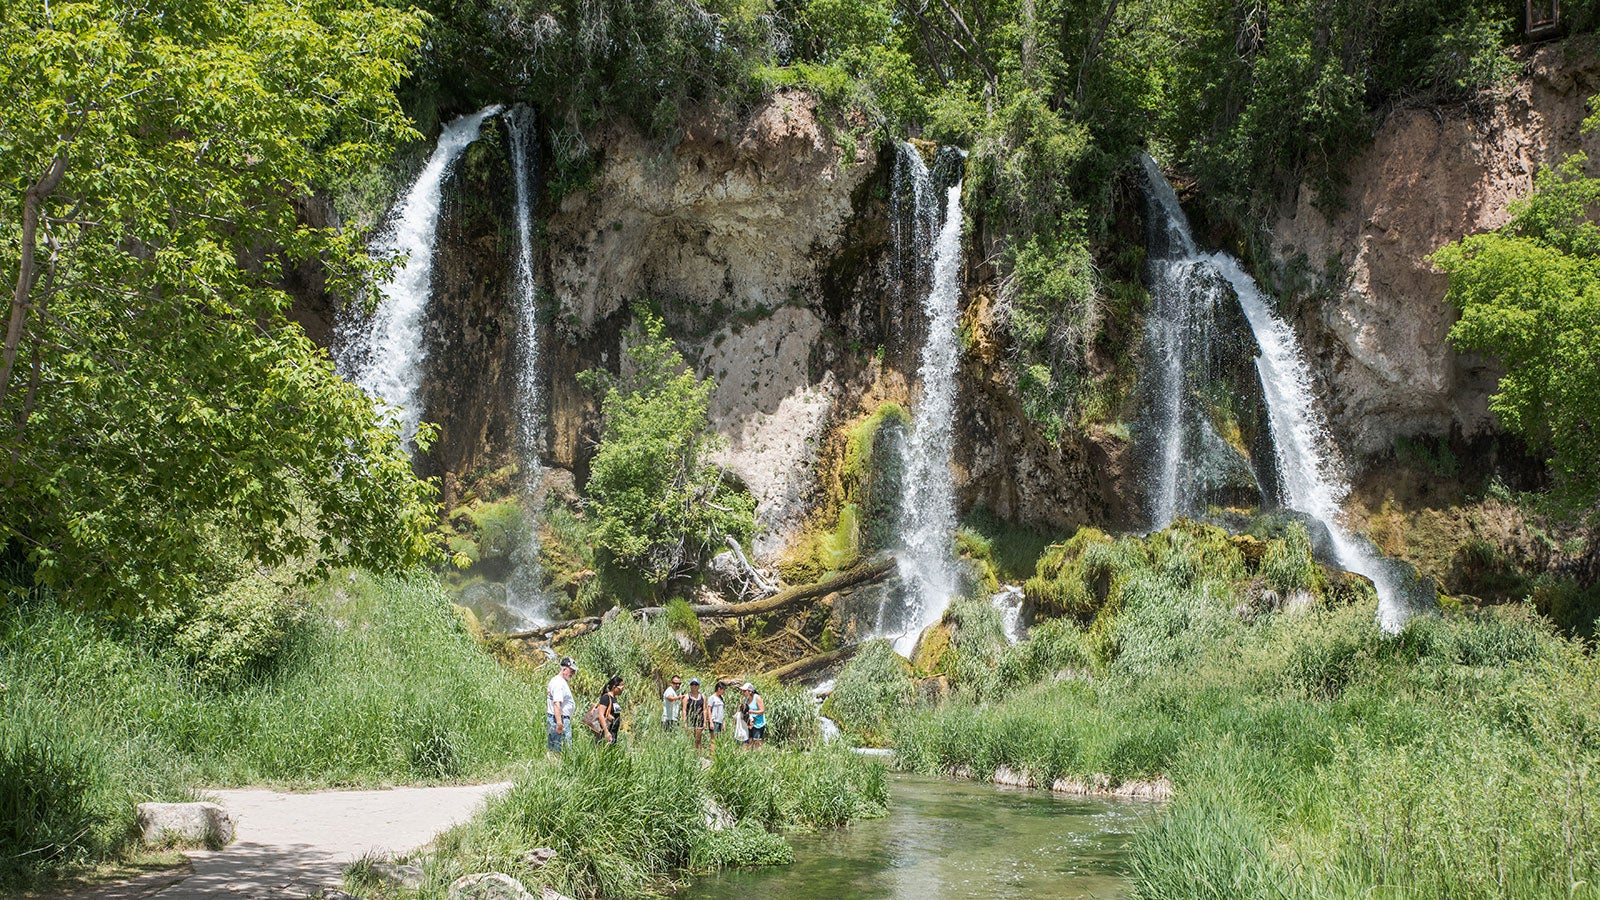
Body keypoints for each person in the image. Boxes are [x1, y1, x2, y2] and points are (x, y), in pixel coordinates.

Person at [545, 656, 577, 753]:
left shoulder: (557, 681)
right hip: (559, 718)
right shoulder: (559, 683)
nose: (573, 674)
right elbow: (556, 704)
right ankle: (558, 765)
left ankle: (554, 763)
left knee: (555, 745)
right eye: (571, 671)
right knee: (563, 746)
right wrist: (559, 723)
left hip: (557, 717)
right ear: (564, 669)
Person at [595, 675, 624, 744]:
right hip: (606, 733)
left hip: (613, 732)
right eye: (621, 687)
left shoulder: (614, 698)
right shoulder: (606, 698)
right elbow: (601, 715)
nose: (622, 689)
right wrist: (606, 732)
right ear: (614, 687)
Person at [741, 682, 766, 749]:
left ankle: (759, 757)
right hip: (749, 723)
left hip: (758, 724)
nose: (743, 692)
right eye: (742, 691)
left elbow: (762, 710)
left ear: (750, 691)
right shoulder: (745, 699)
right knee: (749, 741)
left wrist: (751, 712)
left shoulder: (757, 698)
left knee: (757, 742)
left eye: (744, 691)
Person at [685, 678, 707, 751]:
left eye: (696, 684)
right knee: (690, 740)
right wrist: (685, 722)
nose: (694, 686)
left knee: (698, 740)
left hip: (699, 720)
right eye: (692, 684)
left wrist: (704, 722)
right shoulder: (687, 697)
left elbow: (704, 709)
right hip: (690, 720)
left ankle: (699, 756)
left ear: (699, 686)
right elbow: (684, 710)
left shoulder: (702, 696)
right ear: (690, 686)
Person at [707, 681, 727, 748]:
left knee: (718, 739)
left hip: (720, 721)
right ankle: (712, 756)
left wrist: (723, 722)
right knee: (713, 740)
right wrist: (711, 722)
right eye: (723, 689)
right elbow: (709, 710)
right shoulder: (712, 698)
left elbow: (722, 711)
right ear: (719, 689)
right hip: (714, 720)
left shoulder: (721, 698)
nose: (724, 691)